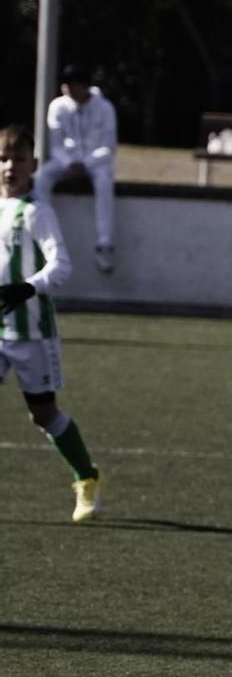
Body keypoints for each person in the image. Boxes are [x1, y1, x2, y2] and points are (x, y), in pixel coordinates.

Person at [1, 124, 103, 522]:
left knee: (43, 414)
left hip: (32, 334)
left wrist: (26, 288)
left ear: (34, 165)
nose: (10, 166)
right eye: (3, 159)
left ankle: (87, 476)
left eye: (19, 159)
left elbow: (62, 265)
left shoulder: (37, 212)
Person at [36, 65, 118, 274]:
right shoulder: (58, 106)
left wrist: (86, 163)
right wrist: (69, 163)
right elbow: (56, 145)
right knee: (42, 177)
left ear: (84, 86)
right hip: (66, 162)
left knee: (104, 180)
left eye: (72, 85)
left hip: (95, 162)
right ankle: (41, 235)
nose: (67, 89)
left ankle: (104, 243)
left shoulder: (104, 108)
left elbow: (108, 148)